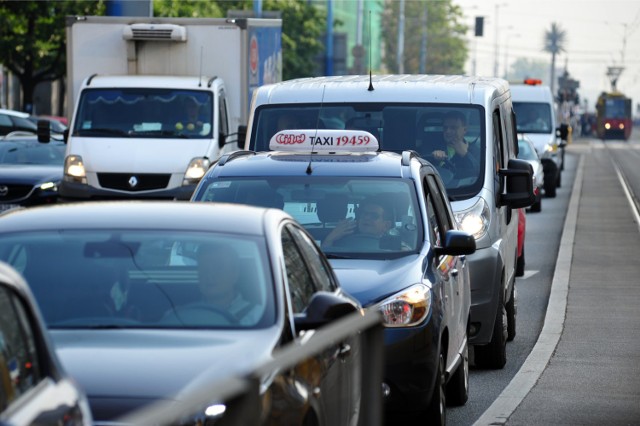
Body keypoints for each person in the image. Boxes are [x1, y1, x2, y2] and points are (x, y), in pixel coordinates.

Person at [194, 243, 261, 325]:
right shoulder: (184, 314)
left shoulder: (258, 315)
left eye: (218, 268)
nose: (210, 275)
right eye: (203, 268)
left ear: (235, 273)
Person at [322, 196, 394, 249]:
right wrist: (329, 239)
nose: (366, 218)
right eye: (364, 213)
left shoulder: (394, 246)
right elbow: (321, 262)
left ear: (386, 225)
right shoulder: (339, 238)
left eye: (374, 216)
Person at [430, 111, 478, 179]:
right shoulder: (433, 146)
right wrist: (435, 159)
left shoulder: (474, 150)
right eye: (445, 128)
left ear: (465, 129)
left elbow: (478, 174)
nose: (448, 131)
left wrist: (465, 154)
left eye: (453, 128)